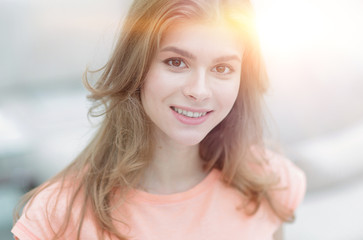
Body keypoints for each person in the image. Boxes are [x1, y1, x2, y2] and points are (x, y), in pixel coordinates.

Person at [12, 0, 306, 239]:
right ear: (137, 68)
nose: (199, 91)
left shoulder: (270, 182)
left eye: (222, 68)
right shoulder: (56, 218)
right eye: (176, 62)